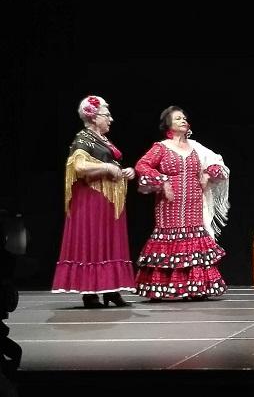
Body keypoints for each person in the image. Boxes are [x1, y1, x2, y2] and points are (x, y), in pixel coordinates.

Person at [134, 106, 230, 301]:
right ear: (168, 124)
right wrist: (161, 180)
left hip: (194, 204)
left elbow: (217, 162)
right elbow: (141, 165)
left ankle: (195, 288)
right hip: (169, 205)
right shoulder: (161, 147)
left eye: (184, 118)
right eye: (178, 118)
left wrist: (206, 172)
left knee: (195, 239)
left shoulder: (196, 147)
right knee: (169, 239)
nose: (183, 120)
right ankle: (162, 288)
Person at [52, 95, 136, 308]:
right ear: (93, 117)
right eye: (106, 115)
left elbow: (110, 162)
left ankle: (111, 290)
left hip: (108, 201)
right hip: (91, 200)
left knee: (110, 243)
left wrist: (127, 170)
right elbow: (79, 167)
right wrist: (108, 168)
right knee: (95, 242)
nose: (111, 119)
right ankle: (90, 293)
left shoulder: (102, 140)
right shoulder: (83, 138)